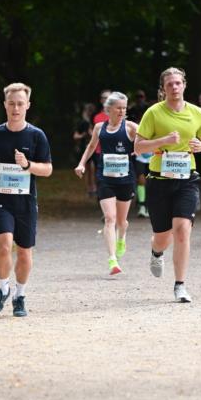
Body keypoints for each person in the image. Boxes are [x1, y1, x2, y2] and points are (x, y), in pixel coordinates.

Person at [134, 67, 201, 303]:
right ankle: (156, 253)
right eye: (170, 84)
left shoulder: (197, 113)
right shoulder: (153, 113)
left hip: (187, 179)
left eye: (178, 83)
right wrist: (164, 141)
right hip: (159, 180)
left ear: (184, 85)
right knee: (162, 235)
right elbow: (139, 147)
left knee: (182, 230)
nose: (174, 87)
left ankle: (180, 285)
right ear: (163, 88)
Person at [0, 83, 52, 317]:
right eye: (12, 104)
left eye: (20, 104)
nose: (16, 108)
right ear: (5, 105)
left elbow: (48, 169)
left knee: (24, 253)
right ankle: (3, 288)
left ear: (28, 105)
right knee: (4, 244)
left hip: (26, 203)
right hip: (1, 200)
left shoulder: (36, 135)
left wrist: (28, 165)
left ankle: (19, 295)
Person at [75, 91, 137, 275]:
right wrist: (81, 164)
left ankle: (122, 237)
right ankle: (112, 260)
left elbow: (147, 137)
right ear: (108, 109)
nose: (122, 111)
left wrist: (142, 149)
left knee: (121, 221)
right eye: (118, 108)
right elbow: (91, 146)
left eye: (124, 108)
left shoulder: (131, 127)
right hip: (105, 179)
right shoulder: (99, 127)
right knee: (110, 218)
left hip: (125, 179)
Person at [73, 103, 96, 197]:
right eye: (87, 111)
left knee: (93, 168)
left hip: (95, 148)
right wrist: (83, 135)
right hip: (85, 148)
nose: (89, 113)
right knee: (87, 169)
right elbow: (75, 136)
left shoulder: (95, 121)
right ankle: (89, 189)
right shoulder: (82, 123)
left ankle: (94, 188)